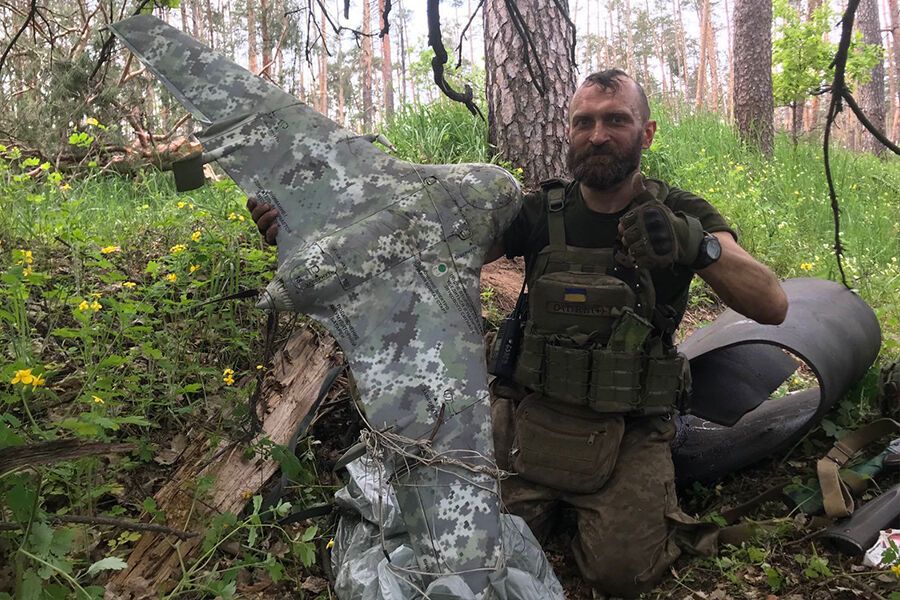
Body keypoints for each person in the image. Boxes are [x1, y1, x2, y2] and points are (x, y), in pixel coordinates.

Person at [248, 69, 788, 598]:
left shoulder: (680, 212)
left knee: (622, 575)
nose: (598, 135)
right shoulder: (538, 211)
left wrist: (696, 246)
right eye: (584, 122)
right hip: (527, 414)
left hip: (628, 428)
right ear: (569, 133)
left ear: (646, 133)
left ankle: (600, 511)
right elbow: (421, 258)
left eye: (616, 120)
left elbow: (772, 303)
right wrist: (308, 225)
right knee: (456, 545)